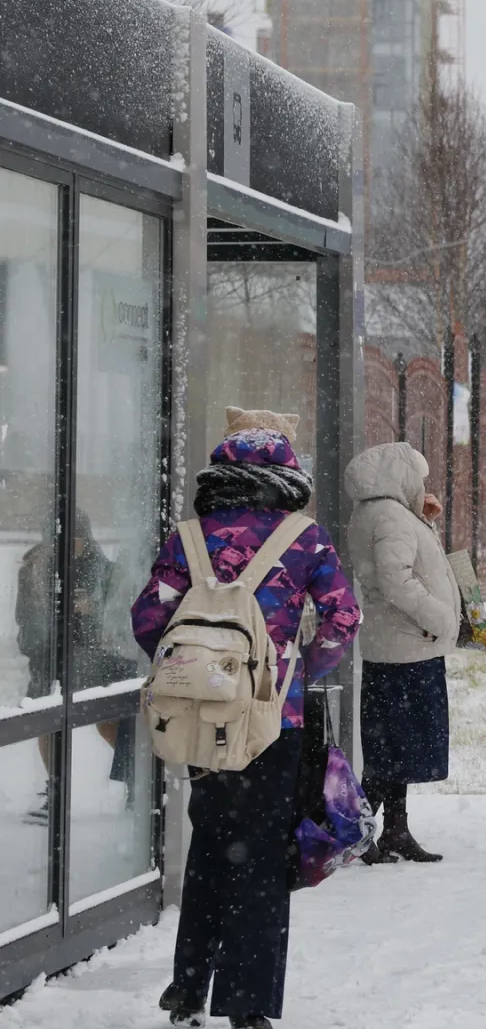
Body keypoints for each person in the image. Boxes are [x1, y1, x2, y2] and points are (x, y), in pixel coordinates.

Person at [134, 408, 361, 1029]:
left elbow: (149, 618)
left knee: (210, 843)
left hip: (203, 722)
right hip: (271, 723)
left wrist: (197, 677)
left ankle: (186, 990)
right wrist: (297, 674)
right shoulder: (305, 538)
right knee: (259, 857)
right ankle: (247, 1004)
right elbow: (344, 619)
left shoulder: (189, 535)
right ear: (286, 477)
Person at [344, 442, 459, 865]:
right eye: (419, 478)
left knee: (393, 747)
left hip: (398, 646)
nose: (422, 485)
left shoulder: (382, 513)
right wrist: (440, 617)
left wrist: (422, 520)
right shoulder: (389, 516)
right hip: (407, 649)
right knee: (394, 748)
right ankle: (354, 832)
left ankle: (393, 829)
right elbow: (395, 580)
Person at [16, 509, 136, 824]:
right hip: (48, 655)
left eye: (78, 540)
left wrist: (90, 610)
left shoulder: (102, 570)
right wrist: (37, 640)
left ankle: (138, 781)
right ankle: (55, 792)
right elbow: (25, 618)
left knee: (108, 722)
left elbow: (116, 618)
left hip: (93, 655)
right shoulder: (33, 570)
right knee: (48, 722)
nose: (72, 548)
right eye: (65, 541)